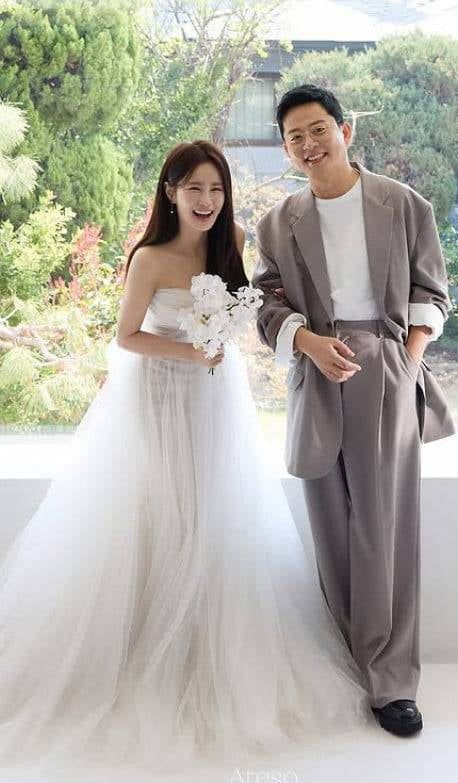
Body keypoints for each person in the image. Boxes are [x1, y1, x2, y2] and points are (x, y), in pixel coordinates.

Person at [0, 140, 369, 773]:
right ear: (171, 192)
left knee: (213, 512)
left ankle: (209, 651)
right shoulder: (150, 257)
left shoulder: (231, 245)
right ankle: (142, 653)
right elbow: (127, 337)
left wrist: (231, 346)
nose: (206, 200)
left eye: (216, 189)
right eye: (194, 188)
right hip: (157, 397)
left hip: (214, 400)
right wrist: (191, 353)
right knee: (158, 513)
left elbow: (244, 312)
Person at [252, 84, 456, 738]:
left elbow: (432, 292)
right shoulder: (278, 222)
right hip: (316, 371)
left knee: (385, 531)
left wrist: (407, 362)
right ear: (286, 150)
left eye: (319, 130)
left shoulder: (404, 204)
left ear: (345, 130)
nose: (309, 144)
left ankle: (392, 682)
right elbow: (266, 304)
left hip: (386, 368)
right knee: (331, 528)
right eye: (295, 137)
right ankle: (346, 665)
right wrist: (308, 342)